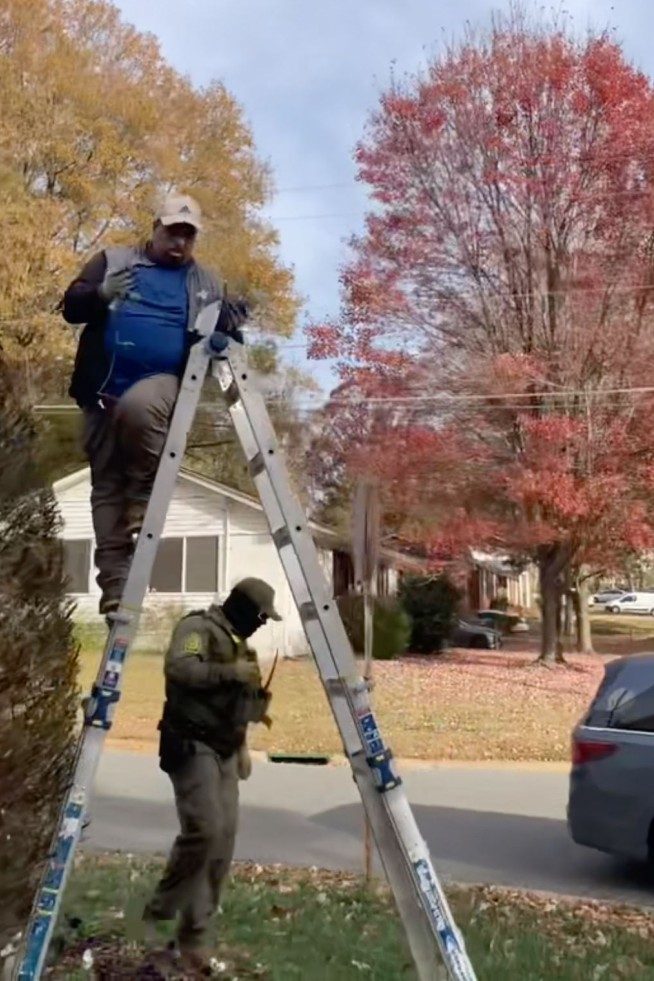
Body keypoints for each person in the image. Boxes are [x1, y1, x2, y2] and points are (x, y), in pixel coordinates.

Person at [61, 193, 249, 616]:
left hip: (163, 384)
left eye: (188, 235)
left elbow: (222, 338)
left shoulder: (206, 282)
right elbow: (71, 308)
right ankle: (116, 591)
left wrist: (233, 321)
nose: (179, 243)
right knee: (106, 490)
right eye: (172, 232)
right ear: (155, 228)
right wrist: (99, 294)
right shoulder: (113, 260)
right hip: (100, 392)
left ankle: (144, 493)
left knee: (141, 407)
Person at [142, 576, 281, 974]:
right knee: (205, 828)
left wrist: (242, 746)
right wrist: (228, 672)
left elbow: (240, 705)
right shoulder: (196, 629)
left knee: (222, 842)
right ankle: (159, 911)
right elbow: (179, 667)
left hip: (225, 749)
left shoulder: (243, 648)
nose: (263, 623)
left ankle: (194, 938)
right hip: (191, 742)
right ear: (241, 606)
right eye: (260, 615)